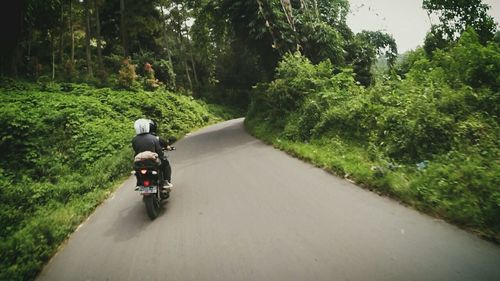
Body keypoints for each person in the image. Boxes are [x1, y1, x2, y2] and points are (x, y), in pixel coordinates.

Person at [132, 118, 173, 190]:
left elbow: (136, 150)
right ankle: (165, 181)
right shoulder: (154, 138)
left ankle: (138, 183)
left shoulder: (134, 139)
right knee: (165, 164)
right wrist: (161, 157)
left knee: (136, 170)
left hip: (139, 163)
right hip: (152, 161)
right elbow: (159, 150)